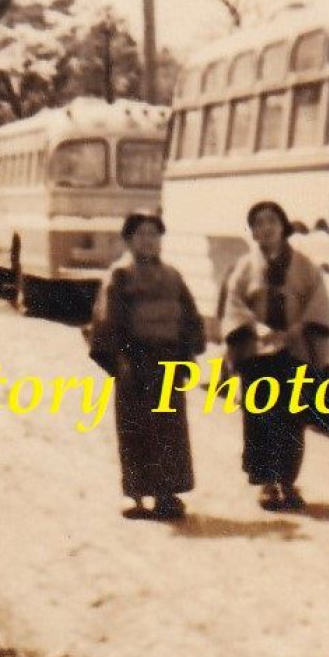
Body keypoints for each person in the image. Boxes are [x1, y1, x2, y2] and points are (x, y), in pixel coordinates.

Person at [86, 211, 205, 521]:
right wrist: (119, 359)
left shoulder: (173, 276)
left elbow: (189, 315)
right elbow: (108, 320)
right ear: (128, 240)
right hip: (134, 362)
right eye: (141, 234)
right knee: (135, 428)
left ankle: (167, 494)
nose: (148, 240)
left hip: (168, 360)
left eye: (154, 234)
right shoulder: (120, 275)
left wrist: (190, 347)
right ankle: (138, 497)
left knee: (169, 429)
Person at [220, 200, 329, 512]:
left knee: (293, 419)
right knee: (260, 417)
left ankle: (288, 481)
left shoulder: (305, 266)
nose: (266, 228)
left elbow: (318, 304)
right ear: (253, 232)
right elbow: (233, 306)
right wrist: (255, 329)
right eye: (258, 223)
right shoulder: (243, 267)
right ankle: (268, 483)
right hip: (258, 353)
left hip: (294, 350)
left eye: (271, 221)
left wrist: (298, 329)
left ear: (283, 226)